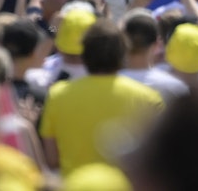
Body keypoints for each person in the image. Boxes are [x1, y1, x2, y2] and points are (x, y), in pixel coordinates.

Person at [39, 19, 163, 176]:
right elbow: (156, 161)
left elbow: (51, 159)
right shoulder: (149, 98)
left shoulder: (57, 94)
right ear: (122, 54)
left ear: (84, 54)